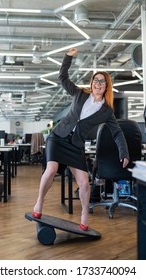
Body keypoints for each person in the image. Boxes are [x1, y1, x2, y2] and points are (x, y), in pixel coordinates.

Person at [33, 47, 129, 231]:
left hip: (75, 145)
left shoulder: (106, 111)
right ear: (92, 82)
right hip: (58, 137)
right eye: (95, 80)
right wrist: (68, 57)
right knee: (51, 169)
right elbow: (63, 78)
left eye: (102, 81)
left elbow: (117, 132)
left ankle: (84, 213)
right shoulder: (79, 94)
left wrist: (123, 152)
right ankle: (39, 202)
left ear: (107, 86)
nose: (98, 83)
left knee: (85, 182)